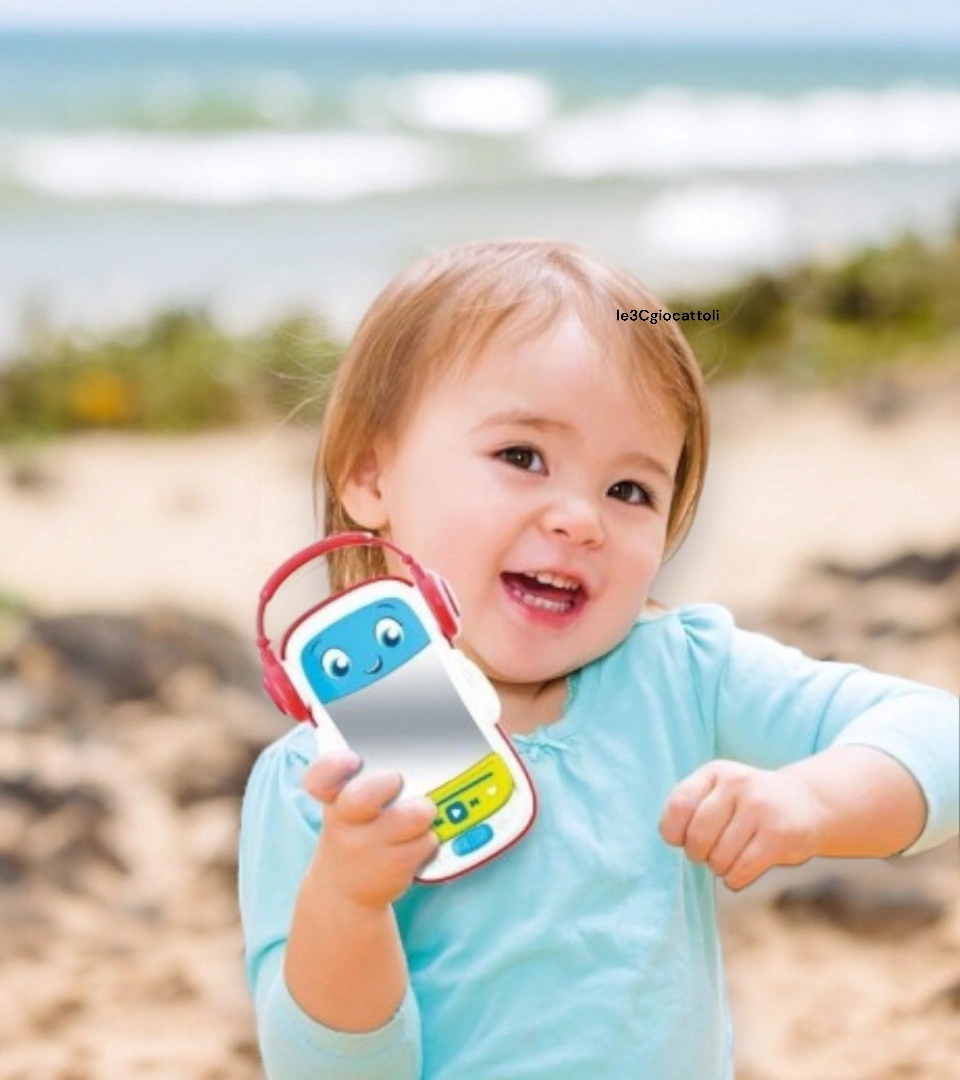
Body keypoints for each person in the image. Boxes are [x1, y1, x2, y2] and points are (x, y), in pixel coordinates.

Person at [238, 238, 959, 1080]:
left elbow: (937, 734)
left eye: (631, 490)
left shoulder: (683, 675)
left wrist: (809, 799)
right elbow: (334, 1071)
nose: (581, 519)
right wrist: (350, 902)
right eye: (522, 457)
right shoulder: (321, 787)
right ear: (370, 473)